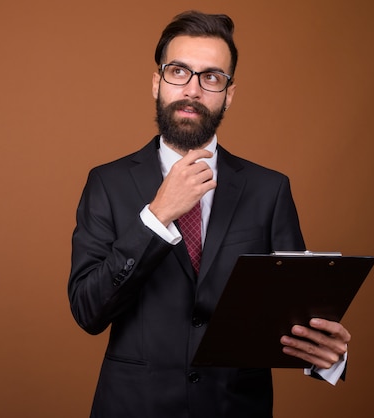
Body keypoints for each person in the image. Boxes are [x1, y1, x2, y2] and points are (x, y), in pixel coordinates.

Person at [68, 10, 351, 418]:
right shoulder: (106, 183)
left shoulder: (269, 189)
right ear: (157, 82)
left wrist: (327, 352)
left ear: (228, 94)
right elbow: (88, 311)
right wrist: (157, 215)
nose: (193, 90)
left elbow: (294, 310)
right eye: (179, 72)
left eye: (211, 77)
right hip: (133, 407)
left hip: (234, 407)